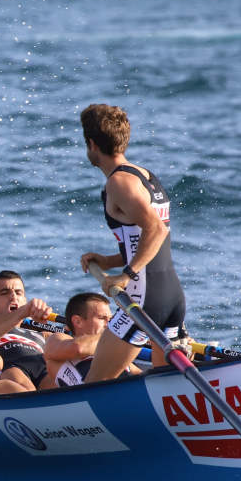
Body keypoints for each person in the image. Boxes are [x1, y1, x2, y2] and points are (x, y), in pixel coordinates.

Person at [78, 103, 187, 381]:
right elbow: (146, 239)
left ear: (92, 144)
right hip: (171, 297)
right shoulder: (145, 175)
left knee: (93, 387)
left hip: (143, 302)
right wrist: (108, 260)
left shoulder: (119, 183)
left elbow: (156, 231)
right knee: (168, 389)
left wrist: (124, 275)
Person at [0, 270, 54, 390]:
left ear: (24, 300)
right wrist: (21, 313)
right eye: (4, 293)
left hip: (41, 366)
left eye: (18, 293)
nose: (13, 296)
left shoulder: (41, 331)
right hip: (8, 369)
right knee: (17, 378)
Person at [41, 291, 141, 388]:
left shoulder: (110, 346)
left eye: (111, 319)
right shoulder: (58, 339)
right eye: (102, 318)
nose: (110, 324)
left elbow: (139, 375)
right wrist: (119, 334)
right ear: (78, 321)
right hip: (94, 394)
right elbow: (78, 348)